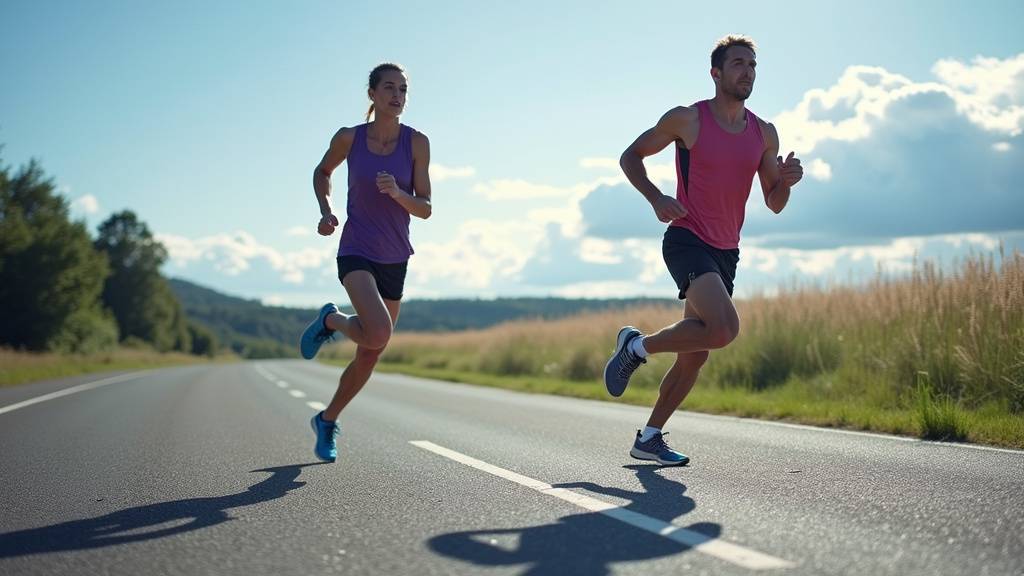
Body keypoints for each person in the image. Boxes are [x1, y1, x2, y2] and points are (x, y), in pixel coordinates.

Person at [605, 35, 804, 466]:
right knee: (725, 328)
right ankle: (635, 348)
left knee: (694, 356)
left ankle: (650, 437)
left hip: (726, 251)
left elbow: (774, 202)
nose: (747, 71)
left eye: (752, 64)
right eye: (738, 64)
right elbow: (630, 156)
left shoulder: (763, 132)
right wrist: (657, 198)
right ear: (716, 73)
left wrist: (785, 180)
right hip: (687, 239)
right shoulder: (688, 120)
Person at [299, 62, 432, 462]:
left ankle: (327, 418)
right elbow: (323, 171)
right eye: (389, 87)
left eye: (403, 89)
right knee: (376, 333)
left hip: (396, 255)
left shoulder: (418, 143)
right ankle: (333, 321)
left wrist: (398, 195)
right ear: (372, 94)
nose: (397, 95)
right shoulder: (349, 138)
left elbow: (425, 208)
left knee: (372, 350)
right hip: (356, 248)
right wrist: (325, 209)